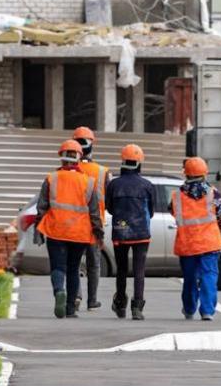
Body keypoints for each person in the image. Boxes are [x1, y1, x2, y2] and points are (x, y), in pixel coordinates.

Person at [34, 139, 104, 318]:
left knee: (58, 267)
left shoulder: (51, 178)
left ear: (62, 158)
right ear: (79, 158)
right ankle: (71, 309)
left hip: (56, 230)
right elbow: (94, 212)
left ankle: (59, 291)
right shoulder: (88, 182)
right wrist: (98, 233)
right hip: (79, 234)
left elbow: (41, 207)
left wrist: (38, 229)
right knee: (73, 269)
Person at [170, 157, 221, 321]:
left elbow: (174, 213)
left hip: (187, 244)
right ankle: (207, 311)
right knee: (209, 276)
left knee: (189, 278)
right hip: (209, 243)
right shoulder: (213, 193)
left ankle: (189, 309)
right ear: (204, 173)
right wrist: (220, 231)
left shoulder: (177, 196)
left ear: (185, 173)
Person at [106, 144, 154, 320]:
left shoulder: (113, 184)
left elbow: (110, 208)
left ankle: (120, 303)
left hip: (121, 231)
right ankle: (137, 307)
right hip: (142, 233)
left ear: (123, 162)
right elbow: (152, 210)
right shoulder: (147, 185)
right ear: (139, 163)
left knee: (122, 270)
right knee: (139, 271)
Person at [72, 126, 110, 310]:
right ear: (92, 144)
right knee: (94, 264)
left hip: (74, 225)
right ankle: (92, 300)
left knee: (74, 263)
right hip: (95, 225)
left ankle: (76, 296)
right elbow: (108, 201)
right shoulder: (102, 172)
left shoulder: (69, 170)